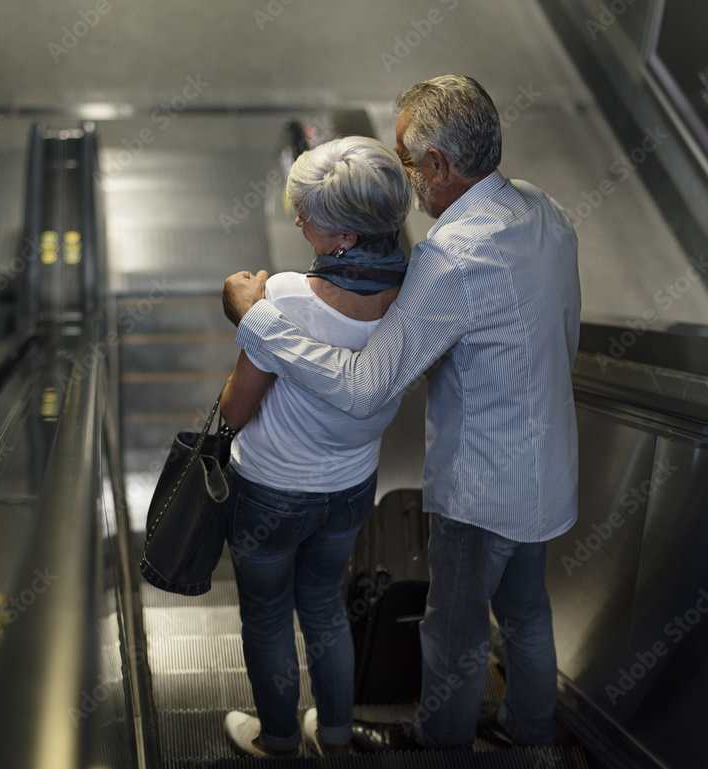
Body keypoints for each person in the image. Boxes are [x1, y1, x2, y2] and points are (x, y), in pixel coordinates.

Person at [222, 75, 581, 750]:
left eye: (410, 161)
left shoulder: (452, 258)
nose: (409, 178)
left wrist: (261, 321)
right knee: (528, 611)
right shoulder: (545, 210)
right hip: (551, 465)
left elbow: (363, 386)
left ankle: (440, 747)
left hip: (484, 488)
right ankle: (532, 738)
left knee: (454, 632)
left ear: (441, 165)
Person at [219, 135, 412, 758]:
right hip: (351, 490)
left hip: (270, 491)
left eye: (310, 216)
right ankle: (331, 734)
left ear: (347, 238)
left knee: (269, 615)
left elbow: (235, 407)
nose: (297, 220)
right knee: (325, 609)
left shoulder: (287, 299)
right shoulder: (415, 298)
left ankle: (277, 739)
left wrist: (249, 314)